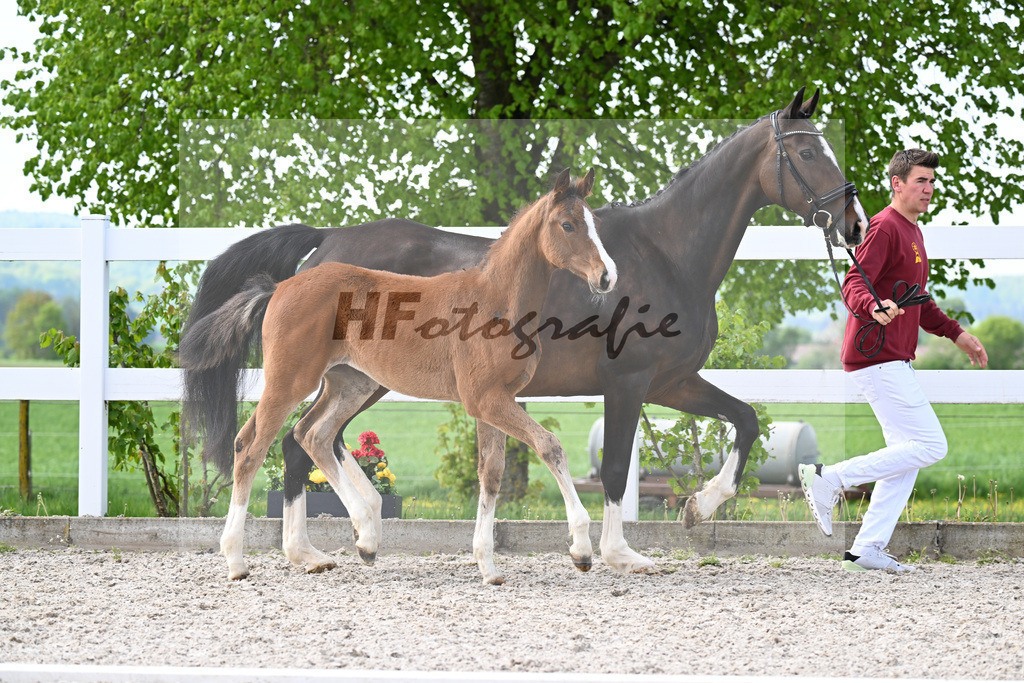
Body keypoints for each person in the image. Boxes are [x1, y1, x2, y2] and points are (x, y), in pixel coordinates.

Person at [799, 149, 988, 572]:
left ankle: (866, 549)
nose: (929, 189)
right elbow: (853, 283)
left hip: (893, 358)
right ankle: (828, 477)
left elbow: (918, 301)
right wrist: (872, 307)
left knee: (907, 454)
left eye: (932, 182)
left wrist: (958, 334)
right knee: (930, 445)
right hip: (875, 356)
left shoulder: (914, 233)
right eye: (921, 180)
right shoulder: (885, 227)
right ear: (896, 184)